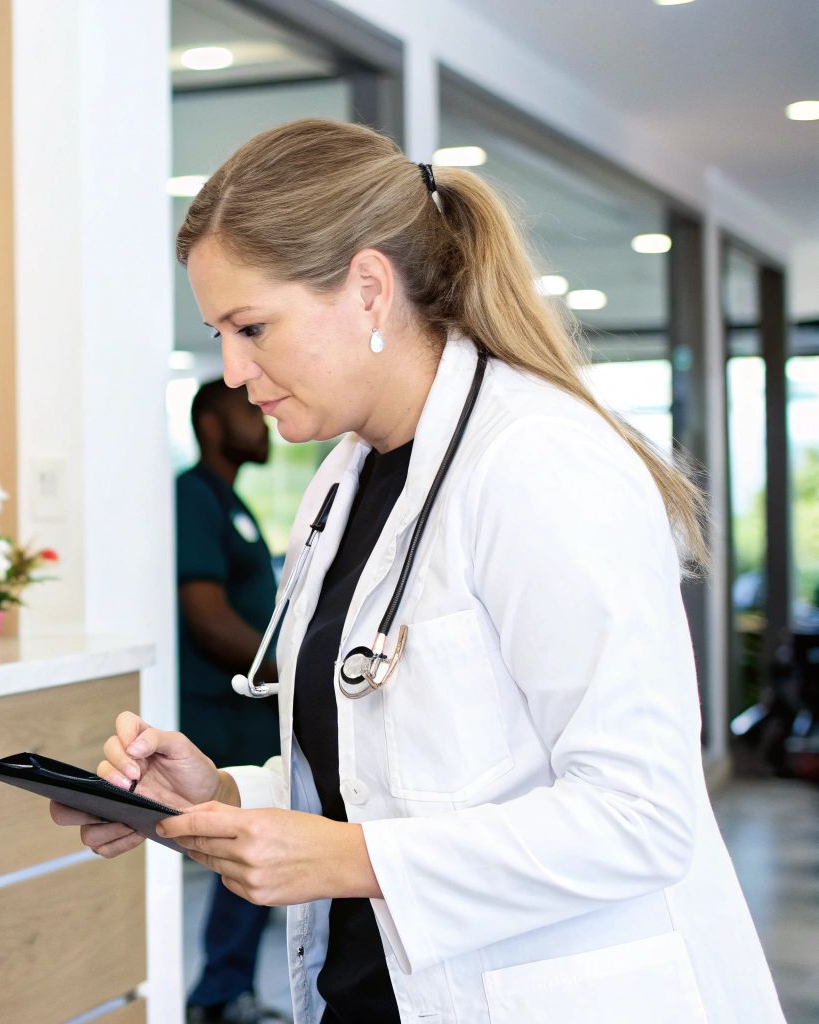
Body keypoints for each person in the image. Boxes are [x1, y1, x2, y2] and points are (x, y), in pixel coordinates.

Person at [54, 118, 782, 1022]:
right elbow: (392, 774)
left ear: (368, 289)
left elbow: (642, 816)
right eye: (219, 333)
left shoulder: (537, 462)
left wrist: (348, 859)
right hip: (371, 994)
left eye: (252, 327)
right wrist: (226, 794)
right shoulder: (341, 483)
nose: (232, 371)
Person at [177, 381, 289, 1023]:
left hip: (248, 712)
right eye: (247, 412)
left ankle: (227, 988)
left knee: (252, 848)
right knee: (242, 847)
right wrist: (288, 676)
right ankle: (219, 994)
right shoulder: (193, 497)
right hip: (221, 714)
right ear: (212, 426)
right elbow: (209, 618)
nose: (263, 422)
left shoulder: (230, 501)